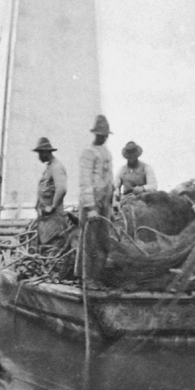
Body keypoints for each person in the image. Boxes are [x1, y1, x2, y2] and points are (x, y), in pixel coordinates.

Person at [79, 114, 114, 281]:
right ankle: (88, 278)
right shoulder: (88, 153)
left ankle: (99, 276)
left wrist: (111, 203)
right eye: (101, 134)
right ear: (95, 134)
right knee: (90, 242)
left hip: (104, 203)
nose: (104, 137)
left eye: (105, 134)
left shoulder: (106, 152)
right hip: (92, 205)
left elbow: (110, 178)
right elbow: (85, 182)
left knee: (104, 241)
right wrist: (90, 208)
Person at [33, 137, 69, 246]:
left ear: (46, 152)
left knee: (53, 248)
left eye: (40, 153)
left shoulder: (57, 167)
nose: (39, 156)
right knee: (45, 247)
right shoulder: (49, 167)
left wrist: (52, 206)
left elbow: (62, 189)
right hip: (45, 219)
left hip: (54, 219)